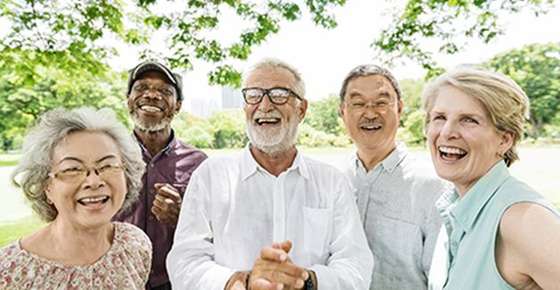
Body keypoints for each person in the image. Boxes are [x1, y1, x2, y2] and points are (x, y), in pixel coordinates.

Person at [167, 58, 373, 290]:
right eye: (254, 95)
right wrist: (244, 282)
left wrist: (304, 280)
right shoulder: (211, 176)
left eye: (279, 94)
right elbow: (185, 263)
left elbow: (356, 267)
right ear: (245, 107)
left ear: (302, 109)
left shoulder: (332, 182)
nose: (264, 105)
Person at [423, 68, 560, 289]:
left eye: (468, 120)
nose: (447, 132)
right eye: (439, 117)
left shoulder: (523, 220)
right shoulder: (455, 209)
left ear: (505, 140)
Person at [0, 107, 151, 289]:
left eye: (107, 165)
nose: (94, 181)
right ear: (46, 186)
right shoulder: (11, 271)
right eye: (72, 169)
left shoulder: (134, 245)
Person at [338, 64, 450, 290]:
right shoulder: (334, 181)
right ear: (343, 112)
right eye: (358, 103)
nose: (370, 113)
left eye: (381, 102)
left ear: (400, 108)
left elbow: (442, 282)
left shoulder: (432, 187)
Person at [113, 60, 207, 289]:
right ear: (128, 101)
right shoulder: (106, 156)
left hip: (174, 281)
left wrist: (182, 217)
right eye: (142, 88)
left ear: (178, 106)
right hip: (115, 279)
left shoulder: (200, 164)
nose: (152, 95)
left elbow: (214, 233)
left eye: (165, 91)